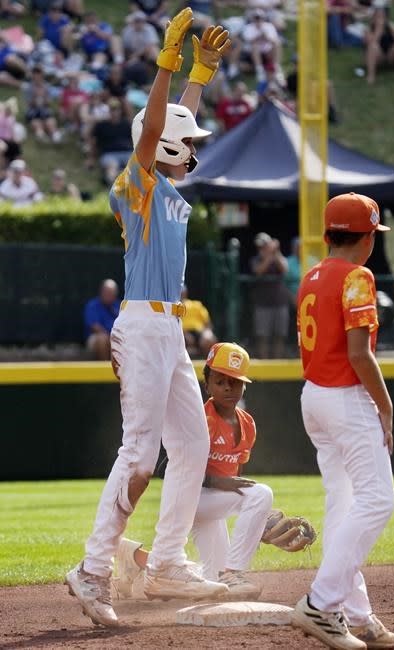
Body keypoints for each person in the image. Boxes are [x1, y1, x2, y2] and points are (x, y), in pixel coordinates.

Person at [65, 9, 232, 627]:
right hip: (141, 325)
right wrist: (167, 66)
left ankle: (164, 562)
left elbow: (169, 127)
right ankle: (91, 570)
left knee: (189, 444)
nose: (193, 150)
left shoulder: (164, 184)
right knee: (138, 453)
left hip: (169, 328)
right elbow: (155, 131)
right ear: (161, 145)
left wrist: (198, 77)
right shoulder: (137, 183)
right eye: (187, 144)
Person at [291, 193, 394, 649]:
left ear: (327, 235)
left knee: (343, 504)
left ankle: (358, 616)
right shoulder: (358, 276)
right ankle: (321, 605)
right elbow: (360, 354)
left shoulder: (310, 276)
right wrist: (386, 405)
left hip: (313, 397)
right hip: (346, 397)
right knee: (378, 500)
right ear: (366, 239)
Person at [116, 342, 275, 600]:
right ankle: (233, 573)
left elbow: (235, 477)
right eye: (220, 380)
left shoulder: (248, 425)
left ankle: (135, 559)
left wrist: (258, 520)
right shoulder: (200, 421)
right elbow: (167, 469)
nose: (227, 387)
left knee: (211, 585)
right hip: (189, 500)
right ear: (206, 384)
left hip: (210, 508)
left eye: (234, 382)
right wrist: (230, 488)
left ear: (245, 385)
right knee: (262, 493)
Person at [250, 231, 289, 359]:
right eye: (260, 247)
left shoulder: (277, 257)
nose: (262, 249)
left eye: (265, 246)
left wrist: (276, 252)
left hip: (280, 302)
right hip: (262, 303)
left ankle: (277, 363)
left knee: (280, 335)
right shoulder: (255, 260)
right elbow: (258, 271)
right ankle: (264, 363)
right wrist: (268, 256)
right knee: (263, 336)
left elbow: (285, 269)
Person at [83, 279, 120, 360]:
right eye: (107, 292)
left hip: (116, 337)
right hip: (97, 337)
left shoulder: (119, 306)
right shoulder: (92, 305)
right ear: (101, 292)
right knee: (102, 339)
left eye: (111, 293)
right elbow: (94, 326)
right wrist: (110, 336)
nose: (109, 295)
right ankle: (105, 367)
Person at [181, 285, 217, 357]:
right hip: (183, 333)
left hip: (199, 332)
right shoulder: (172, 308)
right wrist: (184, 334)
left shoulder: (197, 305)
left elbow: (207, 323)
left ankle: (208, 362)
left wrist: (207, 333)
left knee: (208, 338)